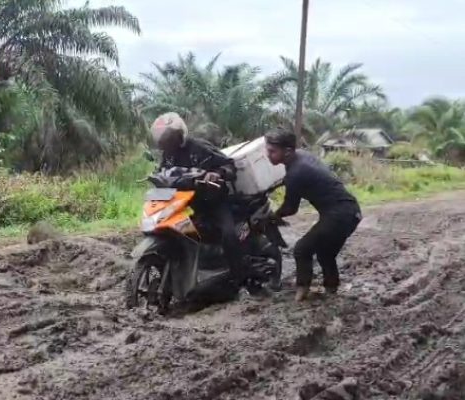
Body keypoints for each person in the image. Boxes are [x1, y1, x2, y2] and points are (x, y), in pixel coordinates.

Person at [150, 112, 253, 286]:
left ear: (179, 134)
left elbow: (229, 165)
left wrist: (217, 173)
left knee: (228, 235)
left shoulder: (199, 147)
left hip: (216, 202)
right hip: (191, 203)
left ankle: (241, 279)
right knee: (181, 233)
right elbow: (164, 173)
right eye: (164, 141)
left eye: (170, 139)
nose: (167, 144)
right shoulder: (168, 155)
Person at [264, 127, 362, 301]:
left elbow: (291, 208)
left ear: (287, 151)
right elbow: (292, 179)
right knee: (325, 252)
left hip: (339, 214)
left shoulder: (296, 172)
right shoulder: (300, 157)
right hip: (350, 210)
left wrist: (274, 215)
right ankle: (331, 290)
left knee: (302, 249)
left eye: (272, 151)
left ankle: (302, 292)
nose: (268, 154)